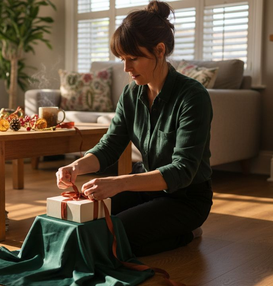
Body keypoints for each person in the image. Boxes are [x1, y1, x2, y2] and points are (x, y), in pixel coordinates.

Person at [56, 0, 213, 257]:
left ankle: (186, 232)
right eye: (122, 59)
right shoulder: (132, 94)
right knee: (80, 222)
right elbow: (111, 144)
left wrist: (118, 184)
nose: (126, 68)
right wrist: (76, 167)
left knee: (109, 238)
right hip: (144, 188)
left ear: (159, 51)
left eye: (133, 58)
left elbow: (183, 171)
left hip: (186, 199)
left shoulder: (192, 97)